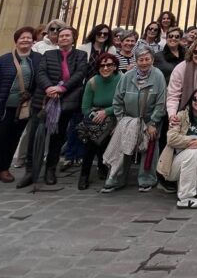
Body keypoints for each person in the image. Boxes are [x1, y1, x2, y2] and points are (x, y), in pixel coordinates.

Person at [17, 25, 88, 187]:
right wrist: (49, 87)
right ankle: (30, 170)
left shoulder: (80, 55)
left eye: (67, 35)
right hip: (43, 100)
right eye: (61, 36)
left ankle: (50, 169)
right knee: (35, 135)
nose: (63, 38)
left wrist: (62, 88)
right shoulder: (48, 54)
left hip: (65, 101)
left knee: (57, 137)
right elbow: (41, 73)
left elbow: (79, 74)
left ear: (73, 39)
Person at [0, 27, 40, 193]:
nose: (25, 40)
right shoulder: (4, 59)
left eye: (29, 38)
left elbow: (40, 81)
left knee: (13, 139)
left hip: (23, 108)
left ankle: (3, 169)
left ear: (33, 41)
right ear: (16, 41)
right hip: (3, 107)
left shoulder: (37, 59)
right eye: (22, 38)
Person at [102, 42, 168, 192]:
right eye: (141, 59)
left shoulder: (158, 76)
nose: (144, 63)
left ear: (152, 60)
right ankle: (116, 178)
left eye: (147, 59)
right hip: (129, 119)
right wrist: (121, 120)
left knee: (149, 147)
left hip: (150, 119)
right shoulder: (127, 76)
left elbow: (161, 102)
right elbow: (118, 99)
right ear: (136, 60)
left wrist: (153, 123)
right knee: (123, 147)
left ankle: (146, 179)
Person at [157, 88, 197, 209]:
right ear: (191, 101)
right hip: (174, 163)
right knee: (193, 151)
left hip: (194, 161)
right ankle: (185, 198)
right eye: (195, 99)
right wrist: (192, 140)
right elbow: (171, 139)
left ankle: (183, 186)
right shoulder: (180, 115)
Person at [77, 52, 120, 190]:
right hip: (95, 117)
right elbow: (85, 108)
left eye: (109, 65)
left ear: (115, 66)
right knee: (92, 141)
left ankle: (103, 166)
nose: (105, 68)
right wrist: (96, 117)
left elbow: (123, 103)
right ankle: (84, 174)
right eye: (102, 65)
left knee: (103, 139)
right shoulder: (93, 82)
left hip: (115, 116)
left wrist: (106, 112)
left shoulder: (121, 79)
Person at [167, 41, 197, 120]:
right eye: (196, 52)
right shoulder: (180, 68)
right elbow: (173, 95)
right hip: (181, 110)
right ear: (191, 53)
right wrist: (172, 114)